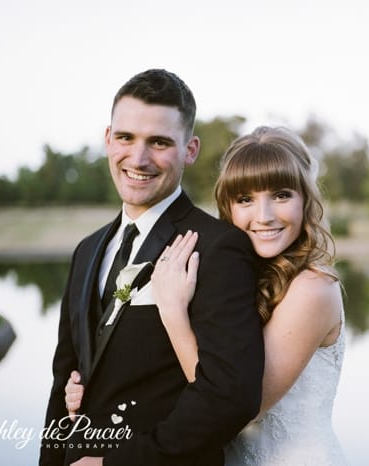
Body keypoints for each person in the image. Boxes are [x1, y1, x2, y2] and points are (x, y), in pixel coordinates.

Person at [65, 126, 348, 465]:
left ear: (305, 199)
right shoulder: (241, 276)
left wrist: (173, 312)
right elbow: (198, 371)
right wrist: (91, 386)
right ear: (227, 206)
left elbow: (240, 408)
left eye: (281, 195)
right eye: (246, 199)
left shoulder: (313, 289)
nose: (264, 216)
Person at [40, 69, 265, 466]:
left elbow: (230, 397)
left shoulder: (218, 247)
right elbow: (64, 380)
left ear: (190, 150)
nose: (139, 158)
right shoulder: (86, 250)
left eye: (159, 142)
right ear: (108, 139)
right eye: (126, 138)